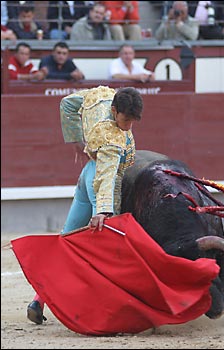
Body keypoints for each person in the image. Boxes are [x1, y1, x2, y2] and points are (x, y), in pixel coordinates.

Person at [26, 85, 144, 325]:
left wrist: (75, 141)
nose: (128, 126)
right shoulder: (111, 137)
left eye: (133, 121)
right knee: (102, 251)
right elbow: (107, 176)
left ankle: (39, 300)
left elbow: (67, 104)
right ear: (114, 110)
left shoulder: (101, 96)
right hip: (98, 183)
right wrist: (103, 210)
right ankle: (98, 311)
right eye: (125, 119)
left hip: (85, 177)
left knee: (66, 241)